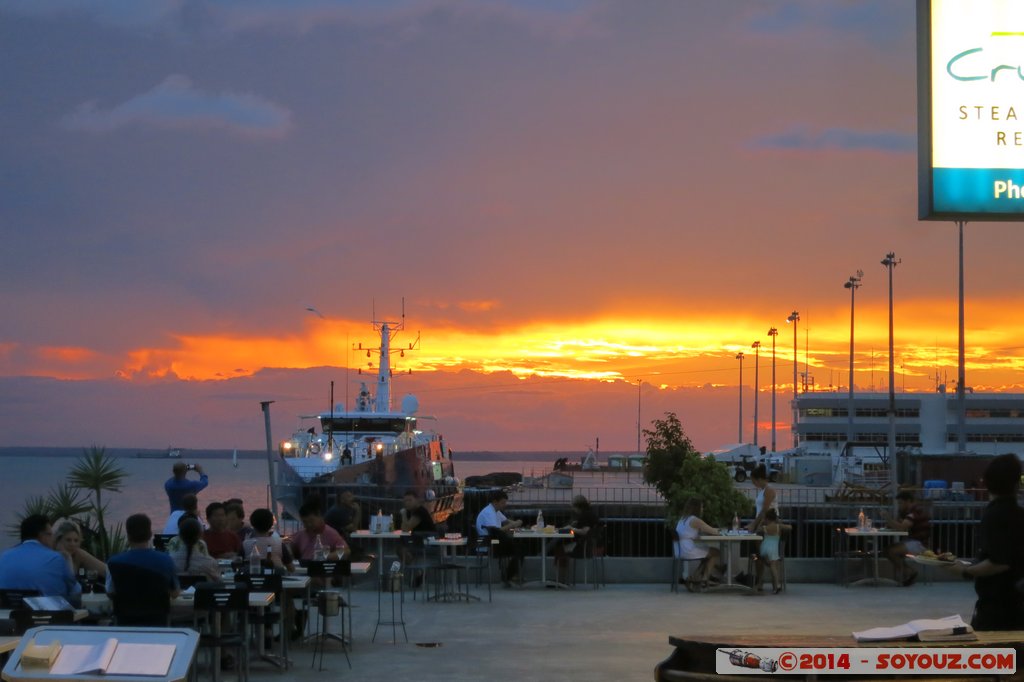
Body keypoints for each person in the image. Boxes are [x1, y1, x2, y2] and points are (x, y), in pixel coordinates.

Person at [948, 453, 1024, 630]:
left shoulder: (995, 514)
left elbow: (999, 562)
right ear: (1016, 484)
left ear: (986, 482)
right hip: (1016, 601)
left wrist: (965, 571)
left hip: (997, 606)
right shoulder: (1018, 514)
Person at [0, 514, 81, 605]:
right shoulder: (56, 558)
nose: (53, 539)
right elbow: (75, 591)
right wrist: (68, 560)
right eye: (50, 534)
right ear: (42, 536)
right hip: (49, 616)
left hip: (9, 616)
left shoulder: (3, 557)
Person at [106, 513, 180, 599]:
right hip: (157, 611)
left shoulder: (114, 562)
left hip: (126, 612)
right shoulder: (166, 561)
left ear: (128, 536)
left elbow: (110, 592)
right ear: (150, 534)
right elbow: (175, 593)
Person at [475, 490, 524, 587]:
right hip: (490, 542)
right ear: (495, 501)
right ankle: (509, 576)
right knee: (520, 549)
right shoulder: (489, 513)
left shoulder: (496, 511)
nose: (504, 505)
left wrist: (515, 523)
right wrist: (513, 525)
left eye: (505, 502)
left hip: (495, 540)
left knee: (520, 546)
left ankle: (509, 575)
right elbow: (496, 531)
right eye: (503, 503)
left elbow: (507, 522)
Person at [885, 490, 931, 586]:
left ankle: (909, 572)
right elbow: (901, 524)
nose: (900, 505)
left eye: (901, 503)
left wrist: (887, 518)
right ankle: (907, 574)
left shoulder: (914, 512)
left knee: (891, 551)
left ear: (908, 501)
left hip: (919, 544)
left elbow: (902, 527)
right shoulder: (912, 511)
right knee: (890, 549)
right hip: (916, 541)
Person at [551, 495, 600, 584]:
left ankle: (560, 580)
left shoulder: (585, 516)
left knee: (559, 549)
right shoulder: (589, 514)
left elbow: (585, 531)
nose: (573, 510)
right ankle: (561, 580)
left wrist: (572, 529)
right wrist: (573, 525)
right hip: (589, 546)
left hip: (583, 548)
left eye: (574, 507)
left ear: (578, 507)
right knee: (558, 546)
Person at [674, 497, 722, 585]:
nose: (702, 509)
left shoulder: (683, 519)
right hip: (688, 549)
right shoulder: (694, 520)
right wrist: (721, 531)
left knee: (708, 554)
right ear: (697, 508)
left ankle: (696, 576)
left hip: (680, 550)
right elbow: (712, 531)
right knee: (716, 552)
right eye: (702, 507)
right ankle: (704, 579)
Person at [168, 517, 221, 583]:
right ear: (200, 535)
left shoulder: (168, 563)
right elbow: (219, 583)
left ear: (179, 535)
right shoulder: (210, 563)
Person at [243, 508, 294, 574]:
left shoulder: (245, 545)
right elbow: (291, 568)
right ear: (271, 524)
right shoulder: (279, 544)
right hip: (274, 581)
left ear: (252, 524)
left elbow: (239, 563)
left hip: (250, 581)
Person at [754, 509, 790, 594]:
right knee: (773, 566)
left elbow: (757, 531)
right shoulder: (778, 527)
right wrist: (780, 523)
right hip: (774, 550)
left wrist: (761, 522)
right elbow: (789, 527)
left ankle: (759, 583)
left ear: (767, 519)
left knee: (757, 558)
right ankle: (776, 585)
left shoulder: (765, 528)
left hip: (765, 549)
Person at [747, 465, 778, 533]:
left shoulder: (769, 490)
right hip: (762, 520)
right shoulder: (763, 490)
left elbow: (765, 510)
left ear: (759, 479)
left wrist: (754, 524)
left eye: (754, 482)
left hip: (769, 521)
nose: (754, 484)